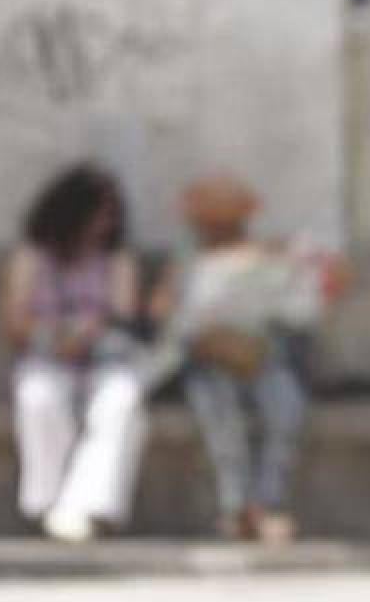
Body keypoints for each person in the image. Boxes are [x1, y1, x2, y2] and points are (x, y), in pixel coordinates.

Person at [147, 175, 343, 544]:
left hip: (262, 358)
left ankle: (267, 505)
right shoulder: (188, 262)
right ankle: (235, 508)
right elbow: (166, 317)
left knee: (284, 409)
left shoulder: (270, 254)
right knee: (223, 424)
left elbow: (300, 311)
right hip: (206, 364)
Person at [3, 164, 147, 542]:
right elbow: (15, 324)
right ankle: (47, 504)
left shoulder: (117, 259)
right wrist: (55, 338)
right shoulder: (32, 256)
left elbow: (123, 317)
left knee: (122, 401)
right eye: (100, 212)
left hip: (105, 359)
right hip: (46, 357)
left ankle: (88, 505)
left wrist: (88, 334)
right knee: (39, 399)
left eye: (112, 214)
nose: (105, 223)